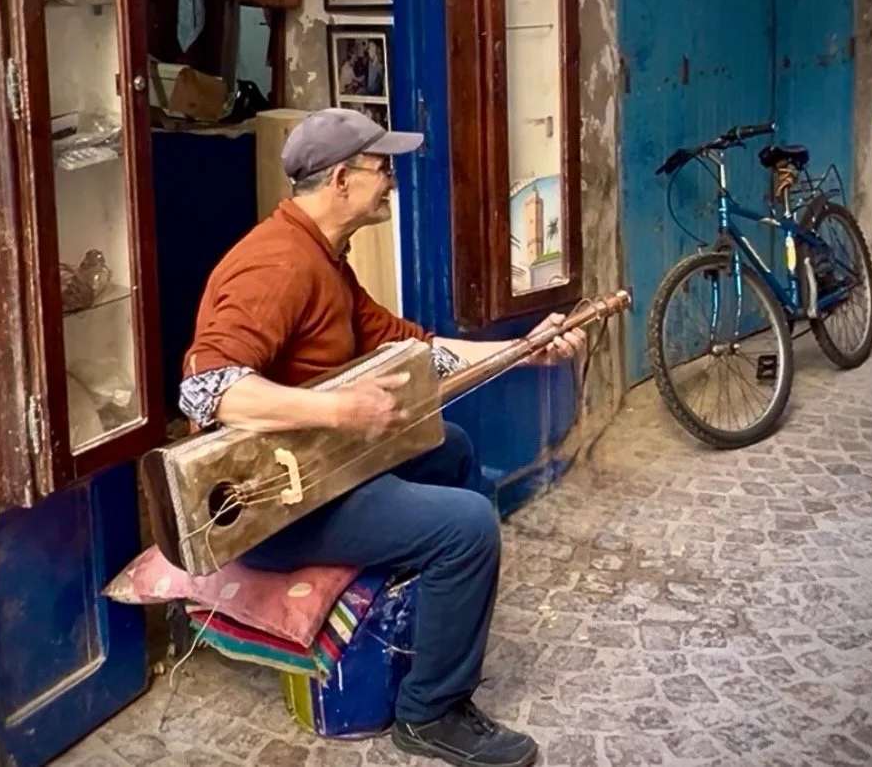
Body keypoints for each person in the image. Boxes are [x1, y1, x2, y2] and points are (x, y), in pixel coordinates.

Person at [178, 107, 585, 765]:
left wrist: (521, 351)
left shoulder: (323, 259)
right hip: (271, 510)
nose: (392, 180)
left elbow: (412, 349)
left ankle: (423, 622)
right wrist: (338, 411)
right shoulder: (277, 264)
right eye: (381, 168)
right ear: (341, 180)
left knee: (449, 446)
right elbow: (206, 389)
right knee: (468, 526)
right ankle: (430, 712)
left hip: (318, 472)